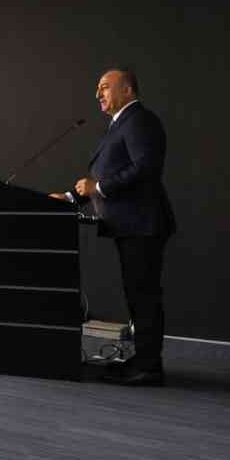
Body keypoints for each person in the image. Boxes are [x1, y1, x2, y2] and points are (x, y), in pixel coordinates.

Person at [51, 67, 176, 386]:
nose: (98, 94)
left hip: (142, 225)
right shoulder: (120, 124)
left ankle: (149, 368)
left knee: (143, 297)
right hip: (131, 226)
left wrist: (100, 187)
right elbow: (103, 177)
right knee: (137, 296)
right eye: (98, 88)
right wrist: (70, 197)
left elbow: (145, 168)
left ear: (128, 90)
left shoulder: (140, 121)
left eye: (105, 87)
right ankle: (144, 360)